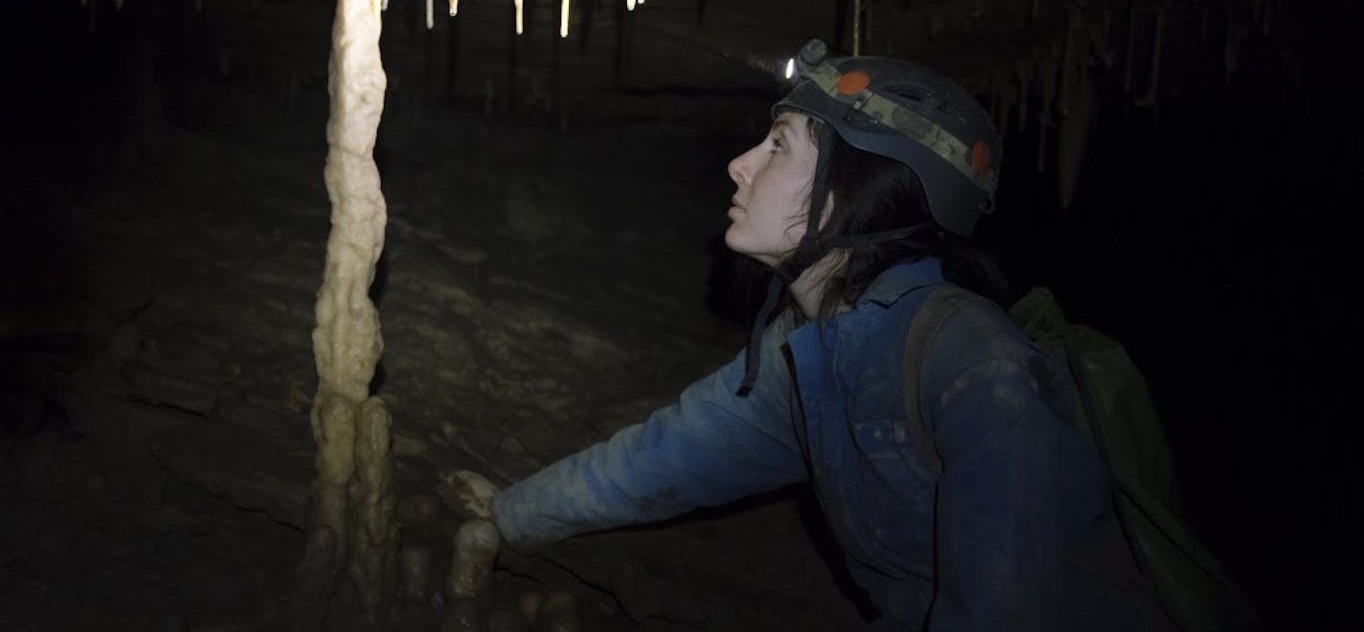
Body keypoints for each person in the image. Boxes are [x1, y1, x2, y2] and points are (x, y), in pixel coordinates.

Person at [455, 40, 1166, 630]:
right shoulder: (816, 351)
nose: (740, 164)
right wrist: (510, 515)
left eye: (777, 146)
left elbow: (1004, 610)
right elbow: (665, 458)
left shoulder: (971, 362)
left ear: (849, 187)